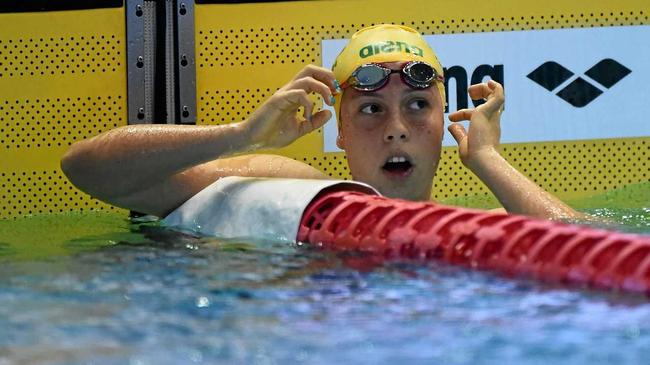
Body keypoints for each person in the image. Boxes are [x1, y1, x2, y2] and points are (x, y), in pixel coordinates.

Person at [61, 24, 580, 220]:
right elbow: (87, 169)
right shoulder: (287, 186)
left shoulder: (474, 225)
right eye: (371, 110)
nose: (396, 127)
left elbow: (599, 253)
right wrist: (241, 135)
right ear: (340, 131)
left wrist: (488, 159)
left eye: (418, 105)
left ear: (445, 120)